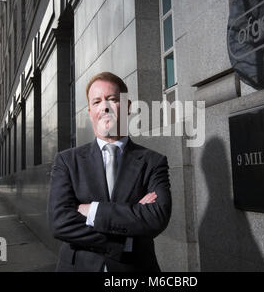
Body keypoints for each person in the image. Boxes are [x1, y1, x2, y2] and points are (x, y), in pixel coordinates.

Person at [48, 72, 172, 272]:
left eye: (112, 99)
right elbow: (59, 222)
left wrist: (92, 210)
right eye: (97, 102)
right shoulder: (67, 161)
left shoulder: (153, 162)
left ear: (128, 106)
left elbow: (156, 217)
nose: (104, 106)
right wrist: (125, 238)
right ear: (90, 112)